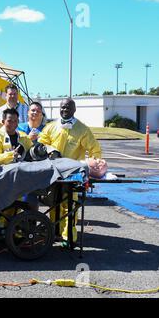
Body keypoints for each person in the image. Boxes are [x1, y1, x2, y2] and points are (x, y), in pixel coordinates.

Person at [39, 98, 102, 246]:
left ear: (74, 110)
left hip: (73, 175)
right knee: (53, 203)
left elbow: (95, 150)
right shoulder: (50, 127)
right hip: (53, 173)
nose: (65, 110)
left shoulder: (82, 129)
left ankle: (68, 237)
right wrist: (48, 150)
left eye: (68, 107)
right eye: (62, 107)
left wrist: (94, 167)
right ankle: (53, 232)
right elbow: (41, 143)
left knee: (70, 206)